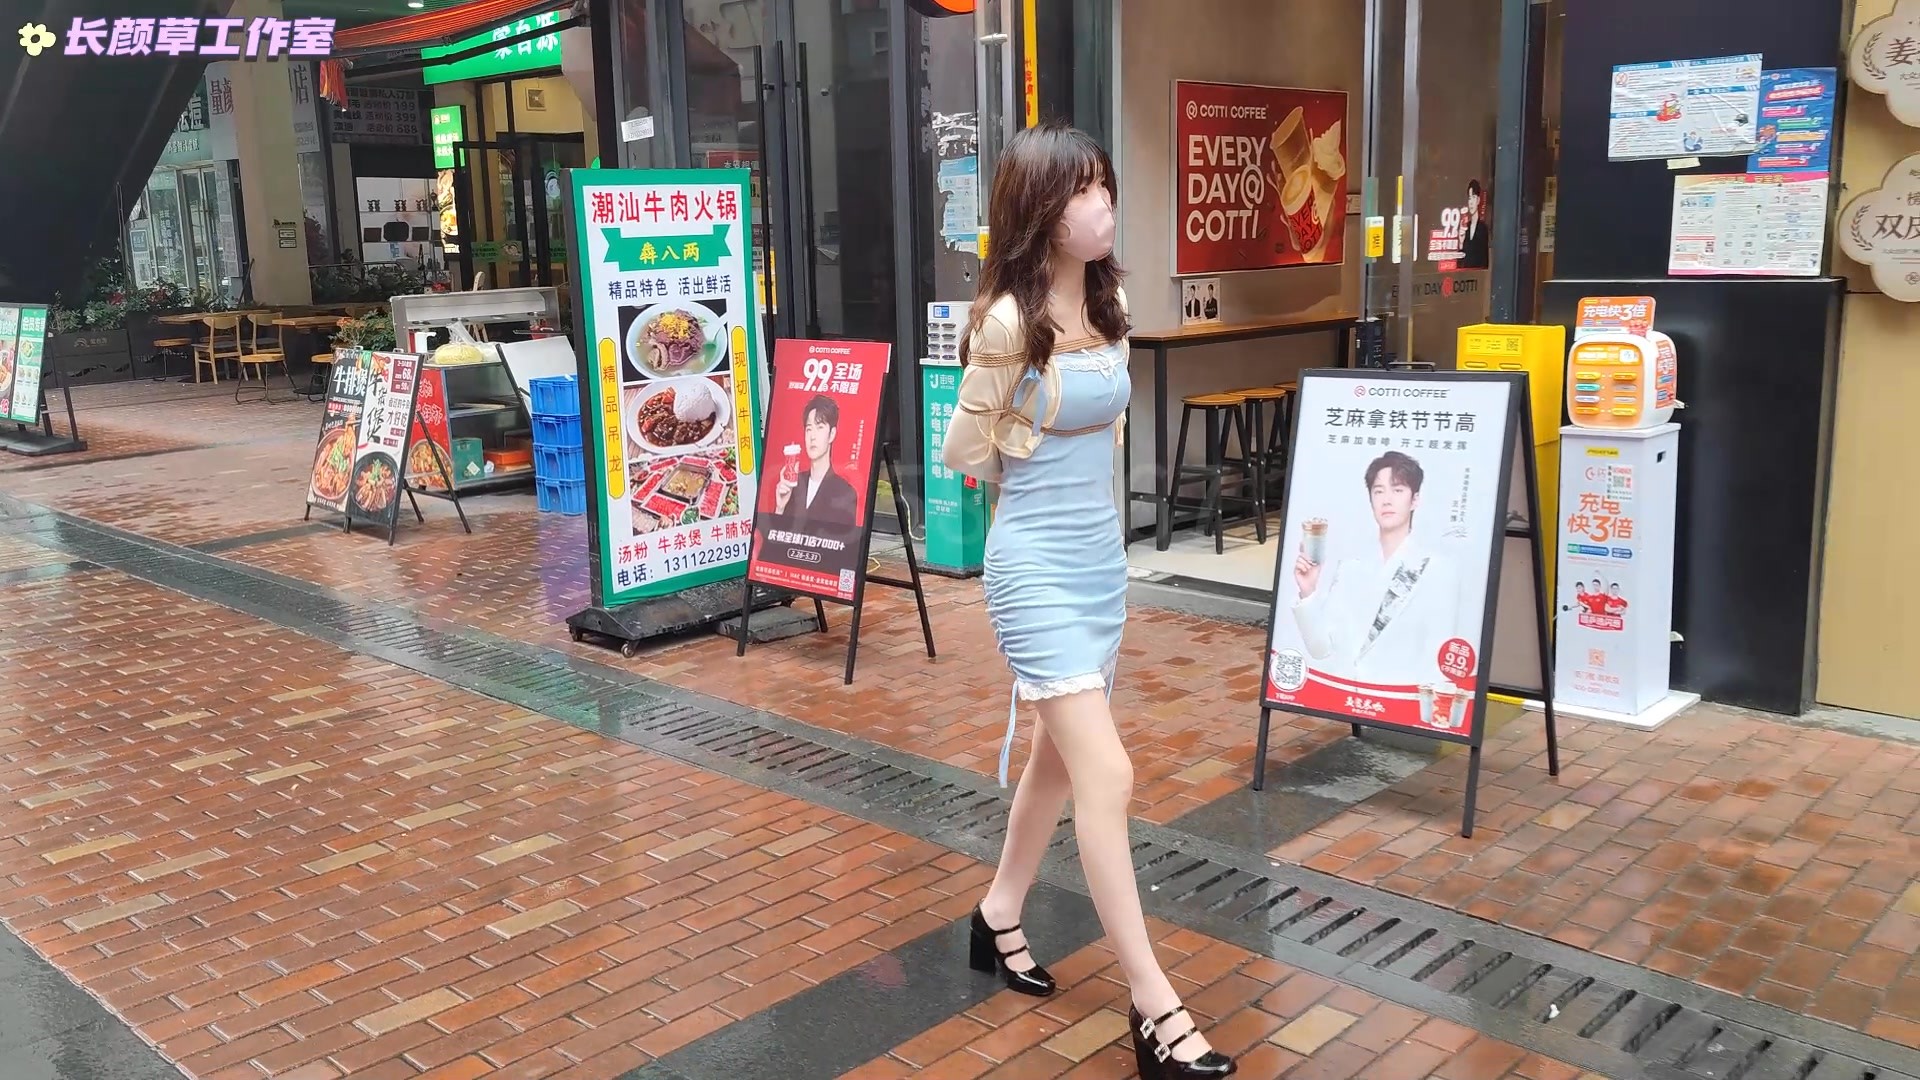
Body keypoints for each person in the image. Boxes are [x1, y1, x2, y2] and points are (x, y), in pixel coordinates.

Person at [942, 121, 1235, 1079]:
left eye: (1104, 185)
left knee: (1057, 764)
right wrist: (1023, 431)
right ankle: (1154, 1008)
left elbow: (1106, 429)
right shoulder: (1003, 323)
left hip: (1099, 566)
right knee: (1107, 774)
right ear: (1040, 210)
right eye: (1082, 191)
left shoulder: (1112, 304)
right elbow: (964, 452)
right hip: (1031, 569)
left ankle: (997, 913)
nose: (1103, 204)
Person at [1291, 451, 1462, 687]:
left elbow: (1436, 661)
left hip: (1399, 698)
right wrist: (1308, 592)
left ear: (1415, 499)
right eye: (1379, 491)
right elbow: (1320, 648)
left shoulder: (1436, 569)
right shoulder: (1351, 567)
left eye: (1397, 490)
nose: (1386, 500)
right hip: (1345, 694)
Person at [772, 393, 858, 531]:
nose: (812, 436)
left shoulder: (845, 493)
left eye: (819, 427)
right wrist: (780, 508)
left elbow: (845, 542)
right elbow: (774, 540)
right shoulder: (793, 485)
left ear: (832, 434)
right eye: (809, 429)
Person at [1459, 179, 1489, 269]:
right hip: (1466, 274)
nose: (1471, 202)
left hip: (1478, 274)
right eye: (1469, 198)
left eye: (1474, 197)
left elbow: (1484, 258)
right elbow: (1461, 261)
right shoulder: (1465, 227)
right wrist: (1461, 243)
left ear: (1478, 200)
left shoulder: (1483, 228)